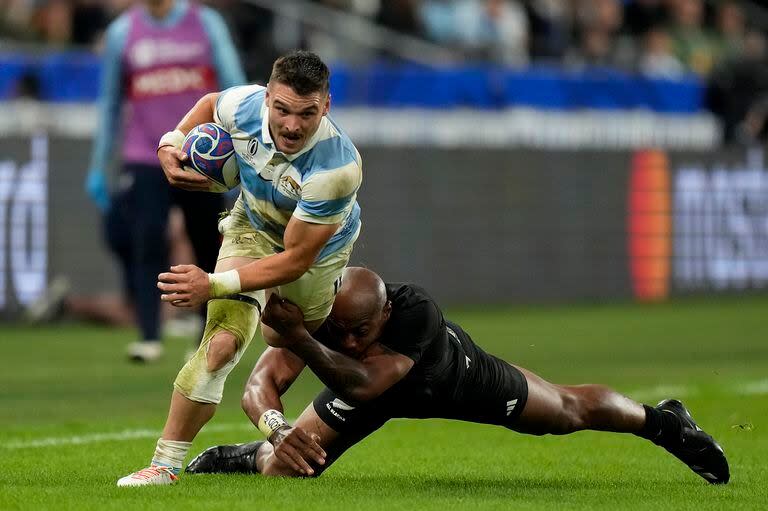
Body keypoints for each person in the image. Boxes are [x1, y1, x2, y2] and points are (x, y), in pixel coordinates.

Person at [183, 267, 730, 485]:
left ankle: (662, 422)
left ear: (387, 315)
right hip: (364, 391)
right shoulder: (324, 313)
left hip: (453, 377)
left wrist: (303, 338)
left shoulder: (416, 311)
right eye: (341, 331)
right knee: (287, 471)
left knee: (564, 414)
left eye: (362, 331)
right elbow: (260, 385)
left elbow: (369, 383)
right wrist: (278, 428)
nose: (349, 339)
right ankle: (238, 456)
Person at [116, 50, 364, 486]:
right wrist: (171, 142)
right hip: (251, 224)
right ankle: (164, 466)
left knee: (280, 332)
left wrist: (211, 283)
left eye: (306, 114)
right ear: (267, 97)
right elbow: (210, 103)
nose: (291, 125)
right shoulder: (245, 105)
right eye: (282, 109)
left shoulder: (336, 168)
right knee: (221, 345)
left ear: (325, 106)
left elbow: (295, 259)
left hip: (315, 256)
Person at [85, 0, 245, 362]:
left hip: (199, 156)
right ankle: (149, 335)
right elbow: (110, 101)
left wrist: (244, 155)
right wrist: (100, 165)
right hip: (145, 155)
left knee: (207, 243)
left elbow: (235, 89)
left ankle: (206, 333)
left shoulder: (206, 24)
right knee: (147, 240)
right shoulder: (122, 33)